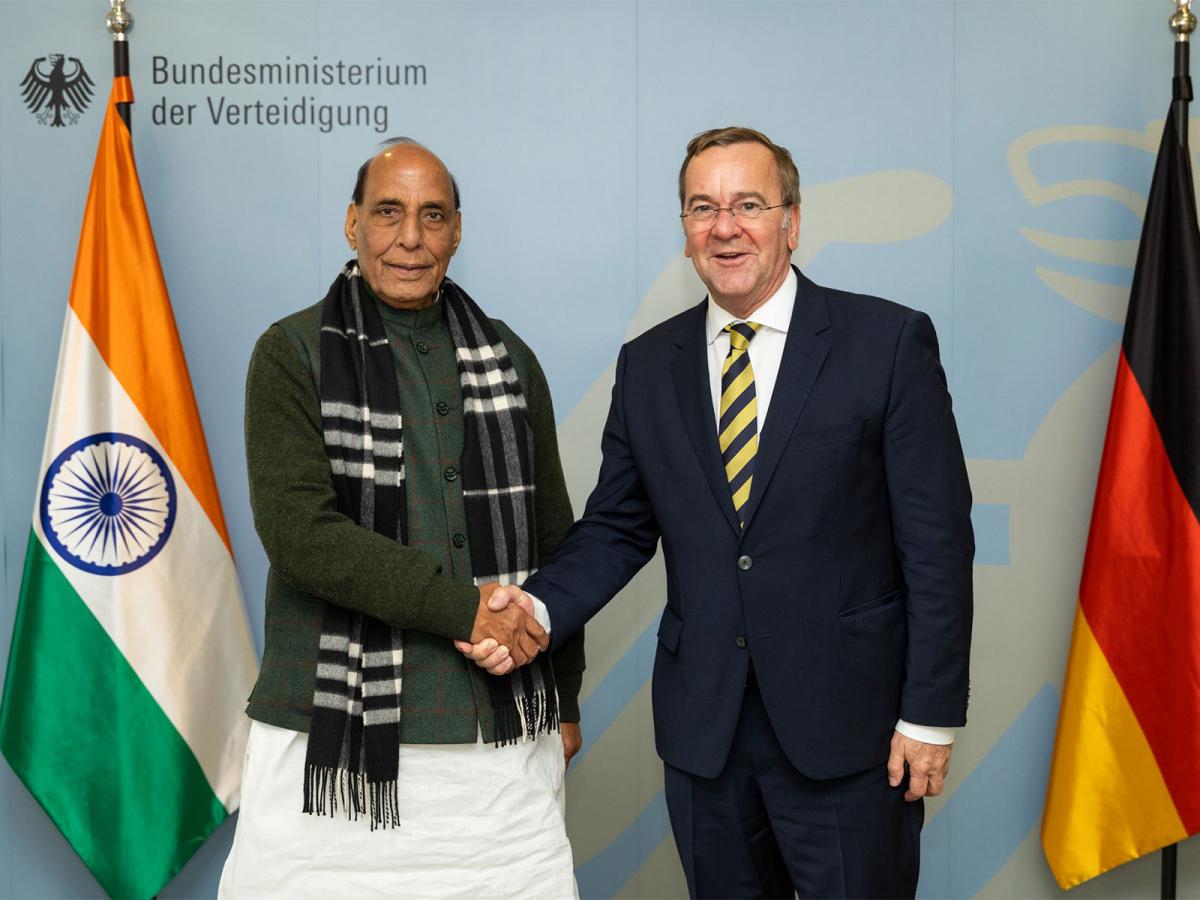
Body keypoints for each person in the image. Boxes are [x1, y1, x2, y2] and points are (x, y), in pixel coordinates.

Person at [461, 126, 973, 898]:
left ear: (791, 222)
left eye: (748, 205)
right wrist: (533, 607)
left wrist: (929, 715)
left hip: (851, 732)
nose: (724, 227)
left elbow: (937, 546)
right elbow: (617, 527)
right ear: (686, 232)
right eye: (703, 208)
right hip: (706, 735)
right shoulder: (647, 365)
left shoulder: (887, 343)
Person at [219, 137, 584, 898]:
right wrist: (464, 608)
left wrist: (567, 696)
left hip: (498, 748)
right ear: (352, 223)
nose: (410, 237)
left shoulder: (510, 358)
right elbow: (300, 537)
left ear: (457, 231)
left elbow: (554, 538)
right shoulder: (290, 352)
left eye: (432, 215)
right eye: (389, 212)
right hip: (329, 744)